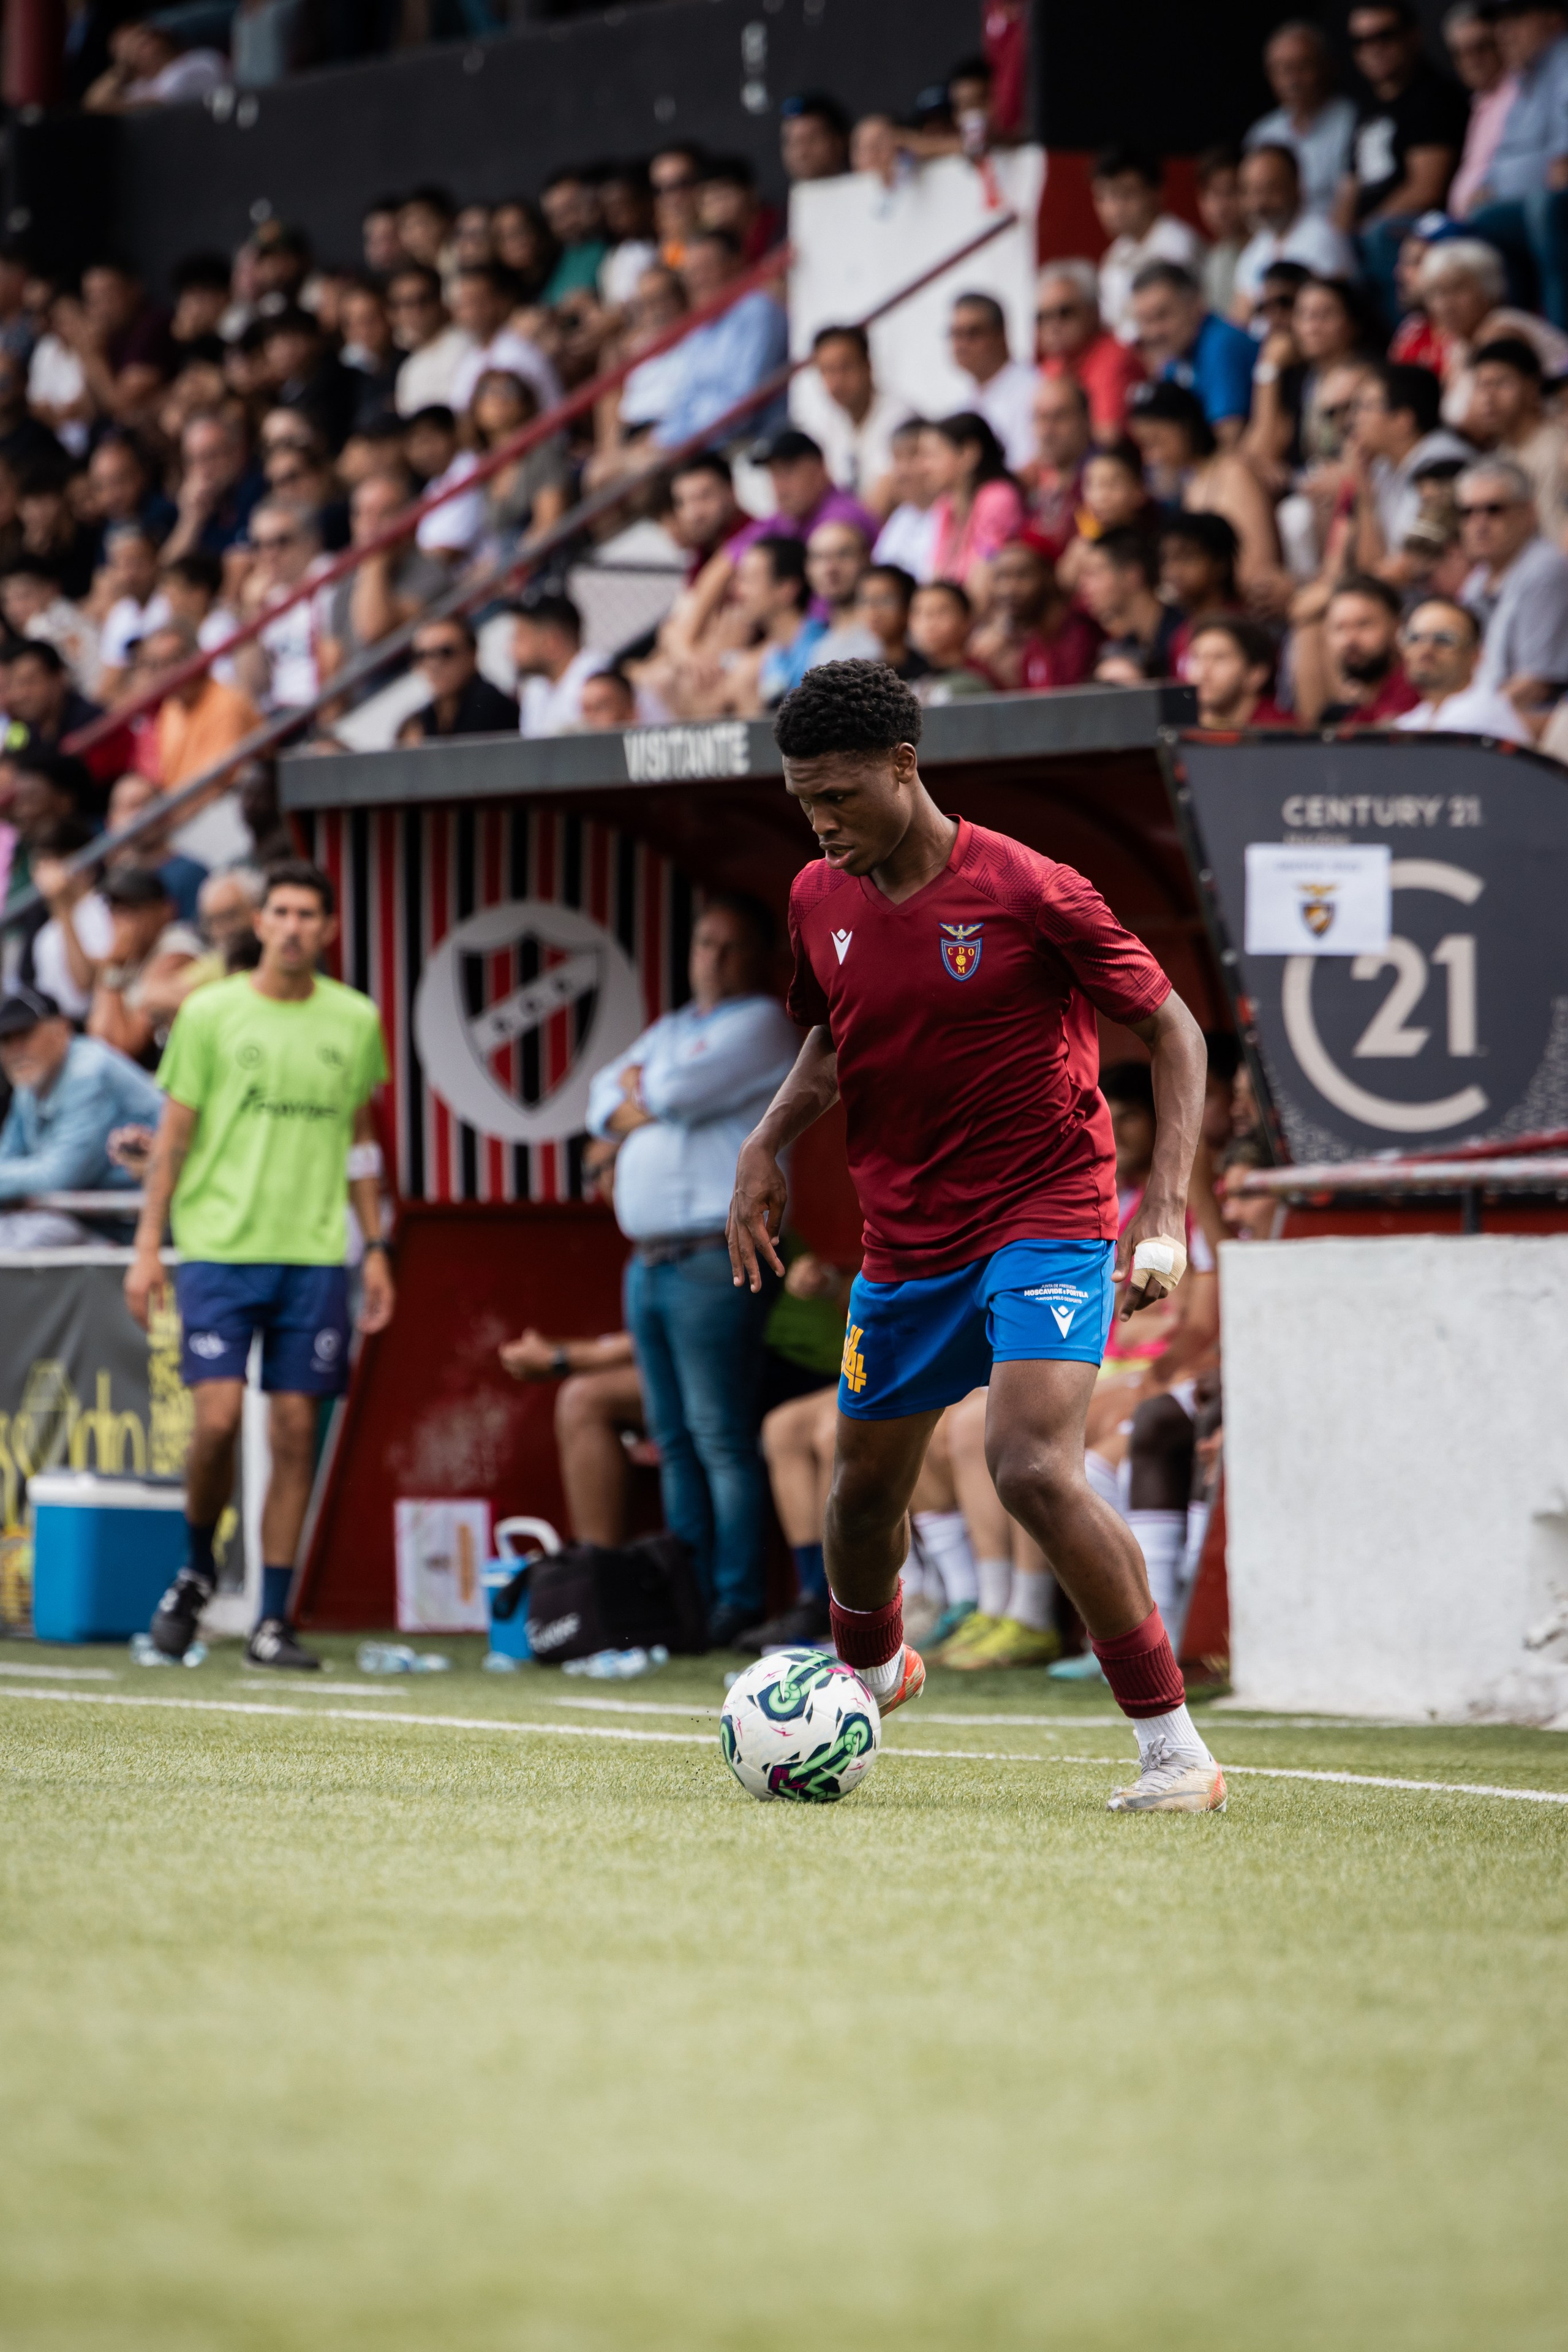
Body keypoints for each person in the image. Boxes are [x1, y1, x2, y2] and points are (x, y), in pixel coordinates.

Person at [726, 661, 1223, 1811]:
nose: (823, 822)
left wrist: (1162, 1208)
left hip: (1046, 1214)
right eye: (805, 801)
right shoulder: (817, 897)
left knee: (1030, 1465)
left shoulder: (1032, 888)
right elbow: (836, 1039)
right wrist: (764, 1142)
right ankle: (865, 1681)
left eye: (841, 795)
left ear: (905, 766)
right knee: (860, 1500)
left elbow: (1175, 1030)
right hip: (907, 1242)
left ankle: (1172, 1749)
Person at [129, 862, 394, 1672]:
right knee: (214, 1424)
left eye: (307, 914)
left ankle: (272, 1621)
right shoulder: (209, 1013)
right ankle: (200, 1567)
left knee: (290, 1432)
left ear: (328, 929)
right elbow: (171, 1139)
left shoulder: (355, 1020)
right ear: (261, 921)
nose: (291, 926)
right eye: (278, 912)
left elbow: (359, 1141)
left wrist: (374, 1245)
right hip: (217, 1247)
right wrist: (148, 1246)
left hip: (314, 1255)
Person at [588, 895, 799, 1644]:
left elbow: (669, 1093)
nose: (713, 959)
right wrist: (640, 1098)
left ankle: (734, 1600)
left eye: (731, 946)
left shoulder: (764, 1022)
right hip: (648, 1258)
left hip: (717, 1253)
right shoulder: (675, 1028)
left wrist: (643, 1095)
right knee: (673, 1436)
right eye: (704, 943)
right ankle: (686, 1598)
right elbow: (594, 1101)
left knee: (716, 1434)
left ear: (756, 958)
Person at [0, 985, 163, 1249]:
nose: (16, 1049)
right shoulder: (30, 1081)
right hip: (86, 1218)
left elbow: (59, 1176)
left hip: (139, 1227)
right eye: (7, 1040)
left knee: (26, 1241)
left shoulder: (88, 1071)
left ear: (62, 1030)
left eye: (26, 1035)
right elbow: (8, 1158)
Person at [1465, 2, 1568, 328]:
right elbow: (1505, 155)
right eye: (1500, 22)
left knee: (1547, 210)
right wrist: (1486, 189)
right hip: (1522, 206)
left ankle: (1560, 344)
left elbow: (1563, 162)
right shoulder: (1524, 78)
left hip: (1552, 203)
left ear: (1553, 18)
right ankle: (1519, 340)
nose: (1504, 32)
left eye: (1516, 18)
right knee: (1481, 221)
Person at [651, 230, 788, 450]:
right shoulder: (702, 322)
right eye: (691, 272)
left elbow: (741, 409)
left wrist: (673, 444)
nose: (697, 280)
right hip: (696, 442)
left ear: (735, 266)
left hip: (747, 443)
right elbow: (684, 396)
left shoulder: (759, 312)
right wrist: (661, 441)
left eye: (706, 269)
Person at [1456, 454, 1568, 707]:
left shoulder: (1545, 570)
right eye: (1467, 512)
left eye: (1494, 510)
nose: (1479, 523)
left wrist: (1468, 718)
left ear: (1528, 514)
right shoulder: (1475, 583)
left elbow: (1536, 685)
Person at [1127, 262, 1256, 445]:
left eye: (1162, 315)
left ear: (1195, 305)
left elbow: (1230, 440)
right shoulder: (1174, 357)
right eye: (1145, 321)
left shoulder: (1222, 345)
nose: (1154, 332)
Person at [86, 866, 202, 1068]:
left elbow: (124, 1048)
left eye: (131, 909)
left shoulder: (177, 949)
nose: (119, 920)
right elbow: (97, 1038)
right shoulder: (128, 957)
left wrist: (113, 968)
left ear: (166, 910)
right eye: (114, 909)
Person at [1246, 19, 1359, 218]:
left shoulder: (1353, 120)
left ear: (1327, 66)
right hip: (1277, 235)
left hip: (1334, 232)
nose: (1293, 79)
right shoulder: (1263, 134)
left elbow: (1353, 196)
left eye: (1303, 66)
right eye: (1283, 69)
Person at [1091, 149, 1206, 342]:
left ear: (1156, 193)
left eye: (1126, 194)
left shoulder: (1177, 244)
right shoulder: (1115, 253)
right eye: (1104, 196)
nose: (1114, 208)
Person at [1233, 145, 1359, 320]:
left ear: (1296, 186)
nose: (1259, 204)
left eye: (1269, 189)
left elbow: (1329, 321)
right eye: (1251, 191)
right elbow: (1240, 322)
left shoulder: (1323, 238)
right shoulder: (1252, 253)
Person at [790, 325, 907, 511]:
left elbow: (880, 505)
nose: (836, 381)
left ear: (868, 365)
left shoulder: (901, 419)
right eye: (827, 370)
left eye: (845, 367)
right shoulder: (824, 424)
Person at [967, 535, 1101, 690]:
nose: (1009, 590)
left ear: (1049, 576)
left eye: (1022, 575)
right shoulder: (1033, 646)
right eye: (1000, 577)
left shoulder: (1082, 634)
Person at [1392, 593, 1534, 738]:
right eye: (1414, 638)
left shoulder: (1482, 717)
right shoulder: (1414, 720)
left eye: (1444, 639)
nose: (1425, 650)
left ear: (1476, 655)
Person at [1463, 334, 1568, 526]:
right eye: (1481, 385)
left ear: (1532, 387)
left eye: (1501, 383)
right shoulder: (1498, 454)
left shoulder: (1559, 448)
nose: (1488, 398)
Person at [1035, 263, 1145, 442]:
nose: (1053, 325)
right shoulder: (1052, 366)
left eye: (1065, 312)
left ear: (1094, 312)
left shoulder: (1115, 359)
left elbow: (1108, 439)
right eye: (1043, 317)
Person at [1445, 2, 1522, 221]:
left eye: (1480, 47)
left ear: (1501, 42)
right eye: (1461, 53)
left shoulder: (1519, 92)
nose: (1471, 61)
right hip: (1465, 221)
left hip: (1495, 217)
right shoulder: (1480, 101)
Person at [945, 293, 1039, 472]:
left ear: (1000, 334)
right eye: (955, 334)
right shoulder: (964, 400)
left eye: (973, 333)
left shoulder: (1033, 388)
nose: (961, 344)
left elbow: (1030, 466)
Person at [1077, 527, 1182, 681]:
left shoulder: (1181, 636)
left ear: (1132, 575)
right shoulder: (1121, 645)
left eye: (1094, 573)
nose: (1084, 585)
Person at [402, 617, 519, 741]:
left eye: (445, 652)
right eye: (421, 655)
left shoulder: (491, 706)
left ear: (472, 653)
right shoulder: (427, 716)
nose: (433, 665)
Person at [511, 593, 606, 737]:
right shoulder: (535, 687)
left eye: (521, 637)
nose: (510, 650)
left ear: (552, 642)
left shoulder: (598, 675)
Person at [1185, 614, 1293, 728]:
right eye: (1196, 657)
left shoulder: (1280, 731)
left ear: (1256, 674)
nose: (1202, 673)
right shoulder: (1179, 728)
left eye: (1219, 658)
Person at [803, 521, 878, 668]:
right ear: (808, 568)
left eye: (843, 554)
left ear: (866, 559)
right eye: (819, 557)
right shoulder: (817, 649)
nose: (830, 568)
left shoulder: (889, 633)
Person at [907, 579, 997, 702]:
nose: (928, 623)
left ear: (966, 621)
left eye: (942, 612)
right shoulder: (912, 675)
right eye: (919, 612)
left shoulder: (978, 678)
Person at [780, 92, 850, 183]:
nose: (802, 153)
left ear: (839, 141)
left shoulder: (868, 191)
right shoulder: (792, 196)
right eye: (794, 143)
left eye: (811, 140)